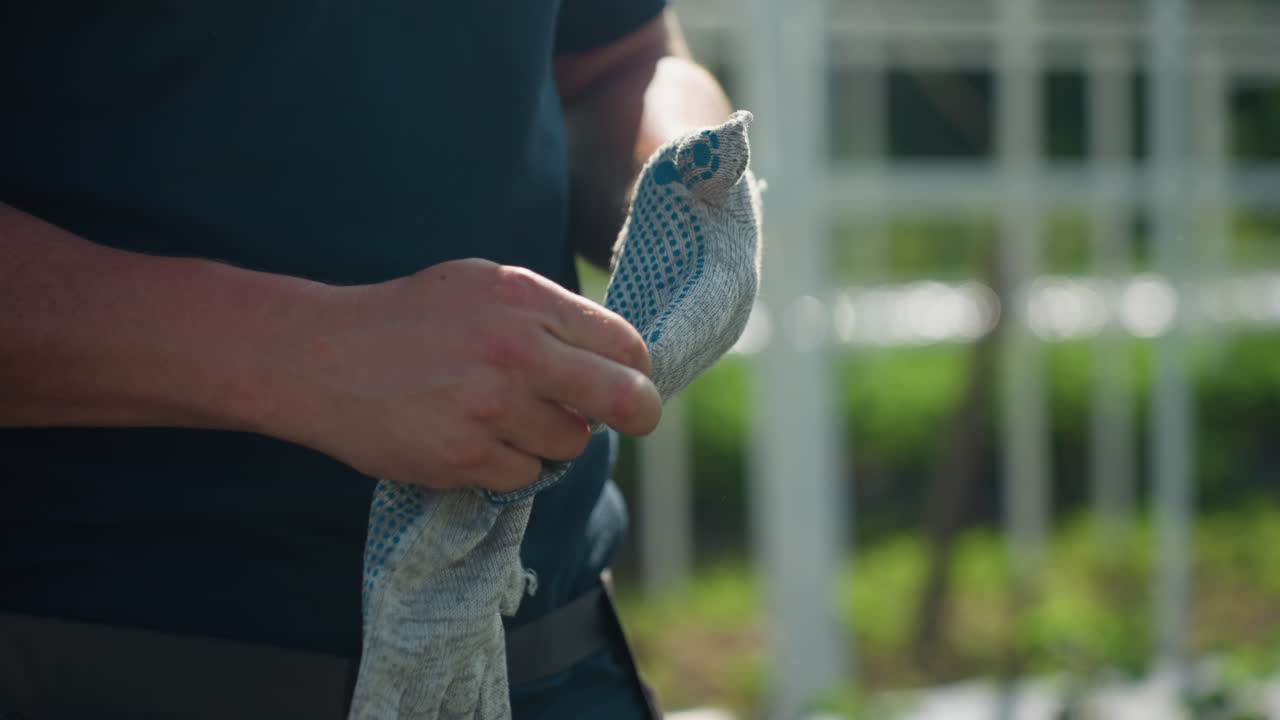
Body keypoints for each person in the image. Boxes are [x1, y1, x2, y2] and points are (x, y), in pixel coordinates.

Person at [0, 2, 735, 717]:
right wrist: (296, 350)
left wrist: (681, 172)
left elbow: (623, 59)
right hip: (93, 655)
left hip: (548, 652)